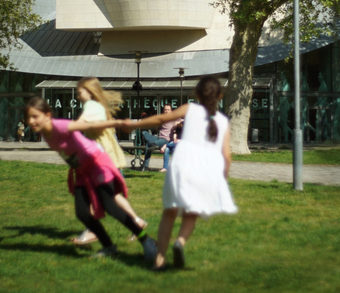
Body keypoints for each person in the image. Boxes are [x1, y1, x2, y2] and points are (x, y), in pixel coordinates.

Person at [121, 76, 238, 270]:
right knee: (191, 214)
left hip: (183, 163)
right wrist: (221, 179)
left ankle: (159, 259)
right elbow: (227, 156)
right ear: (220, 96)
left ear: (197, 94)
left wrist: (134, 125)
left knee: (169, 213)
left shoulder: (189, 109)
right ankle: (180, 243)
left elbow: (160, 119)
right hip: (206, 169)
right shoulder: (223, 122)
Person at [24, 97, 157, 260]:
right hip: (81, 171)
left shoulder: (61, 126)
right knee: (82, 213)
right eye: (28, 117)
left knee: (111, 206)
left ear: (47, 115)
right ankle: (109, 246)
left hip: (97, 163)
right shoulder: (45, 132)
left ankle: (147, 241)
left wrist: (120, 123)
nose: (31, 121)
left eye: (35, 116)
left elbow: (90, 126)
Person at [71, 77, 147, 245]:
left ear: (89, 92)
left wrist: (62, 128)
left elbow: (79, 125)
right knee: (109, 195)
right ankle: (136, 221)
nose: (78, 95)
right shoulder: (97, 107)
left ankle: (94, 230)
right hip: (103, 158)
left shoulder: (92, 106)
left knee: (99, 193)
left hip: (101, 159)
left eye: (80, 91)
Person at [141, 104, 179, 171]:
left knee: (148, 144)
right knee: (144, 132)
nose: (166, 111)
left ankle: (145, 166)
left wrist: (177, 123)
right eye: (165, 110)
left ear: (171, 111)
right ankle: (152, 144)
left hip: (166, 140)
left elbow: (182, 120)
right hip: (159, 138)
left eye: (168, 110)